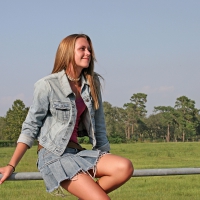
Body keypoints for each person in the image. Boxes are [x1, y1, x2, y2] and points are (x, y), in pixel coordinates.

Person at [0, 34, 134, 200]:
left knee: (124, 166)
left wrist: (105, 156)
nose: (88, 53)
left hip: (77, 152)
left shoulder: (92, 82)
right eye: (82, 49)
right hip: (53, 155)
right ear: (68, 52)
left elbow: (99, 124)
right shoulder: (48, 85)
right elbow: (31, 126)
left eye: (89, 50)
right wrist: (11, 166)